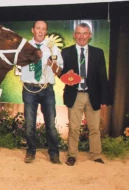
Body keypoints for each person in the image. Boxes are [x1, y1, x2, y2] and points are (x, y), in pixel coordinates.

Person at [61, 23, 109, 166]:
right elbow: (60, 73)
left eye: (85, 33)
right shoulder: (66, 52)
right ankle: (72, 156)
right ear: (74, 35)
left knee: (94, 128)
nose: (82, 36)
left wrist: (104, 97)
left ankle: (95, 155)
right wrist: (65, 75)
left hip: (93, 95)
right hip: (74, 95)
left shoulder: (98, 52)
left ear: (90, 35)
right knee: (74, 128)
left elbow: (102, 76)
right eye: (79, 33)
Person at [21, 21, 63, 164]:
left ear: (46, 32)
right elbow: (18, 63)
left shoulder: (53, 48)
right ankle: (31, 151)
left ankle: (54, 153)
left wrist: (53, 64)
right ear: (32, 30)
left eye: (43, 29)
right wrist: (31, 57)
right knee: (29, 124)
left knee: (50, 124)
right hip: (29, 89)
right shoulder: (25, 46)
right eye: (38, 28)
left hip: (47, 89)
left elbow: (59, 71)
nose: (40, 31)